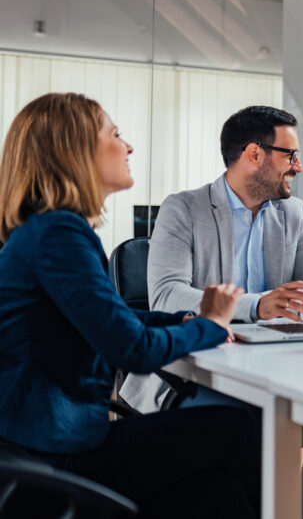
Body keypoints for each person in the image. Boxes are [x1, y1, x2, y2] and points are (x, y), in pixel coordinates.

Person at [0, 92, 259, 518]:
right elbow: (131, 349)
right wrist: (211, 324)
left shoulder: (43, 231)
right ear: (74, 149)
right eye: (116, 134)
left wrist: (184, 319)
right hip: (58, 453)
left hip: (39, 444)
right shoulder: (60, 234)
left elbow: (108, 319)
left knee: (219, 491)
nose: (129, 146)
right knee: (236, 427)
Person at [118, 105, 303, 519]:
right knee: (253, 424)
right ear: (254, 154)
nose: (298, 167)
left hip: (277, 369)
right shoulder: (184, 209)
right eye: (290, 155)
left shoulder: (293, 214)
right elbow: (166, 295)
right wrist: (258, 305)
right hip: (192, 379)